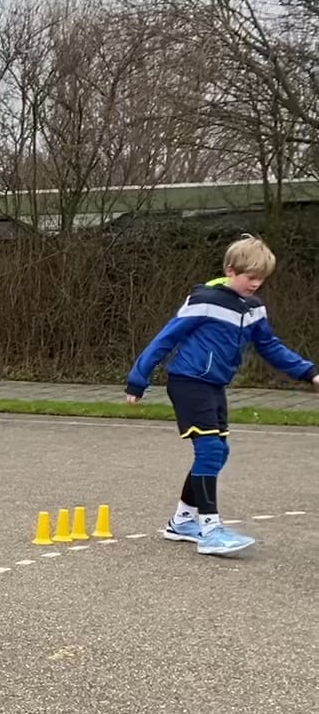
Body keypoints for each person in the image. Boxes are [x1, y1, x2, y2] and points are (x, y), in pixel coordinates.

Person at [126, 235, 317, 556]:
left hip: (214, 385)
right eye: (250, 277)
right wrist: (138, 378)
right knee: (211, 450)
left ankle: (182, 522)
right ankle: (210, 530)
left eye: (261, 279)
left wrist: (308, 371)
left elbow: (271, 347)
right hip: (188, 381)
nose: (255, 284)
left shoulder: (254, 309)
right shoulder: (205, 300)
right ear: (230, 270)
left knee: (218, 452)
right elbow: (165, 338)